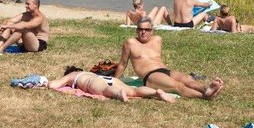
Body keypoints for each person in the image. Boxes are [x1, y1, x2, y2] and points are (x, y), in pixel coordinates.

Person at [114, 17, 223, 100]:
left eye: (147, 29)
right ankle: (205, 96)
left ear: (152, 30)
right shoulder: (130, 43)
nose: (143, 32)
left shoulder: (157, 39)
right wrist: (114, 81)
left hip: (165, 71)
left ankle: (206, 89)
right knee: (178, 86)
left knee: (187, 79)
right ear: (136, 30)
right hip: (150, 76)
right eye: (140, 29)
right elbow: (122, 65)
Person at [48, 66, 176, 103]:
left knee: (106, 90)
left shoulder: (73, 76)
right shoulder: (88, 72)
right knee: (135, 90)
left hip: (94, 83)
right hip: (109, 78)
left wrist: (46, 83)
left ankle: (119, 94)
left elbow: (53, 85)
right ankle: (155, 92)